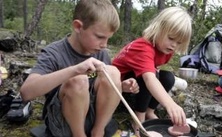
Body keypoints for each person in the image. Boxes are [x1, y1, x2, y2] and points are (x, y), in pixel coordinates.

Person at [19, 0, 139, 137]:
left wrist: (120, 86)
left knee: (113, 72)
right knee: (79, 81)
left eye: (108, 39)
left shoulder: (100, 53)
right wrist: (75, 69)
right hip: (63, 124)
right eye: (100, 37)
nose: (105, 45)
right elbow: (26, 93)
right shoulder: (54, 52)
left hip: (92, 119)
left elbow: (102, 86)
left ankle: (98, 132)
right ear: (78, 26)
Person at [112, 6, 192, 136]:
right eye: (171, 38)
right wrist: (170, 104)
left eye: (179, 42)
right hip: (119, 86)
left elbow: (155, 70)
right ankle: (139, 120)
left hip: (135, 81)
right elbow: (149, 79)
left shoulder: (166, 49)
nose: (174, 45)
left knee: (168, 78)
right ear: (158, 29)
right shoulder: (143, 47)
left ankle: (149, 111)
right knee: (150, 76)